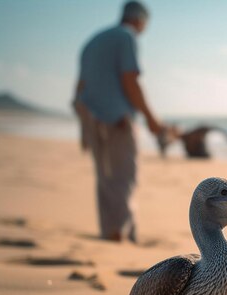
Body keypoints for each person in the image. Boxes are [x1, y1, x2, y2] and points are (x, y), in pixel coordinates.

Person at [73, 1, 167, 242]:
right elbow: (130, 81)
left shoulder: (92, 41)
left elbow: (80, 87)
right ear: (140, 20)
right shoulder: (127, 37)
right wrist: (151, 119)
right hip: (118, 119)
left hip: (89, 114)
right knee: (125, 177)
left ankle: (109, 231)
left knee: (104, 177)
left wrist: (83, 128)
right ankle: (122, 235)